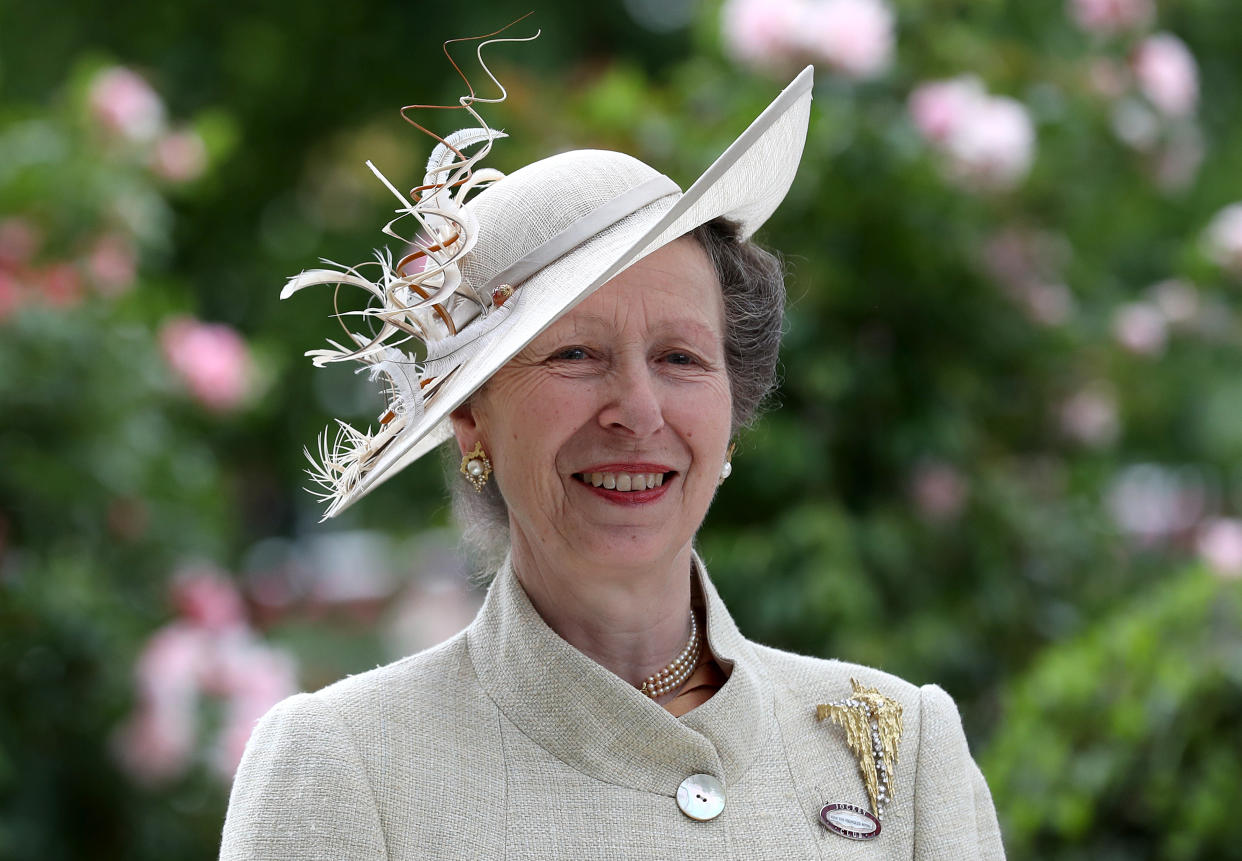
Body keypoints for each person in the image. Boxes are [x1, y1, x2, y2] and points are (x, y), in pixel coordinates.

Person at [220, 38, 1005, 860]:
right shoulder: (349, 764)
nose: (636, 409)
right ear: (470, 419)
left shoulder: (898, 747)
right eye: (575, 354)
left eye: (680, 358)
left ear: (731, 412)